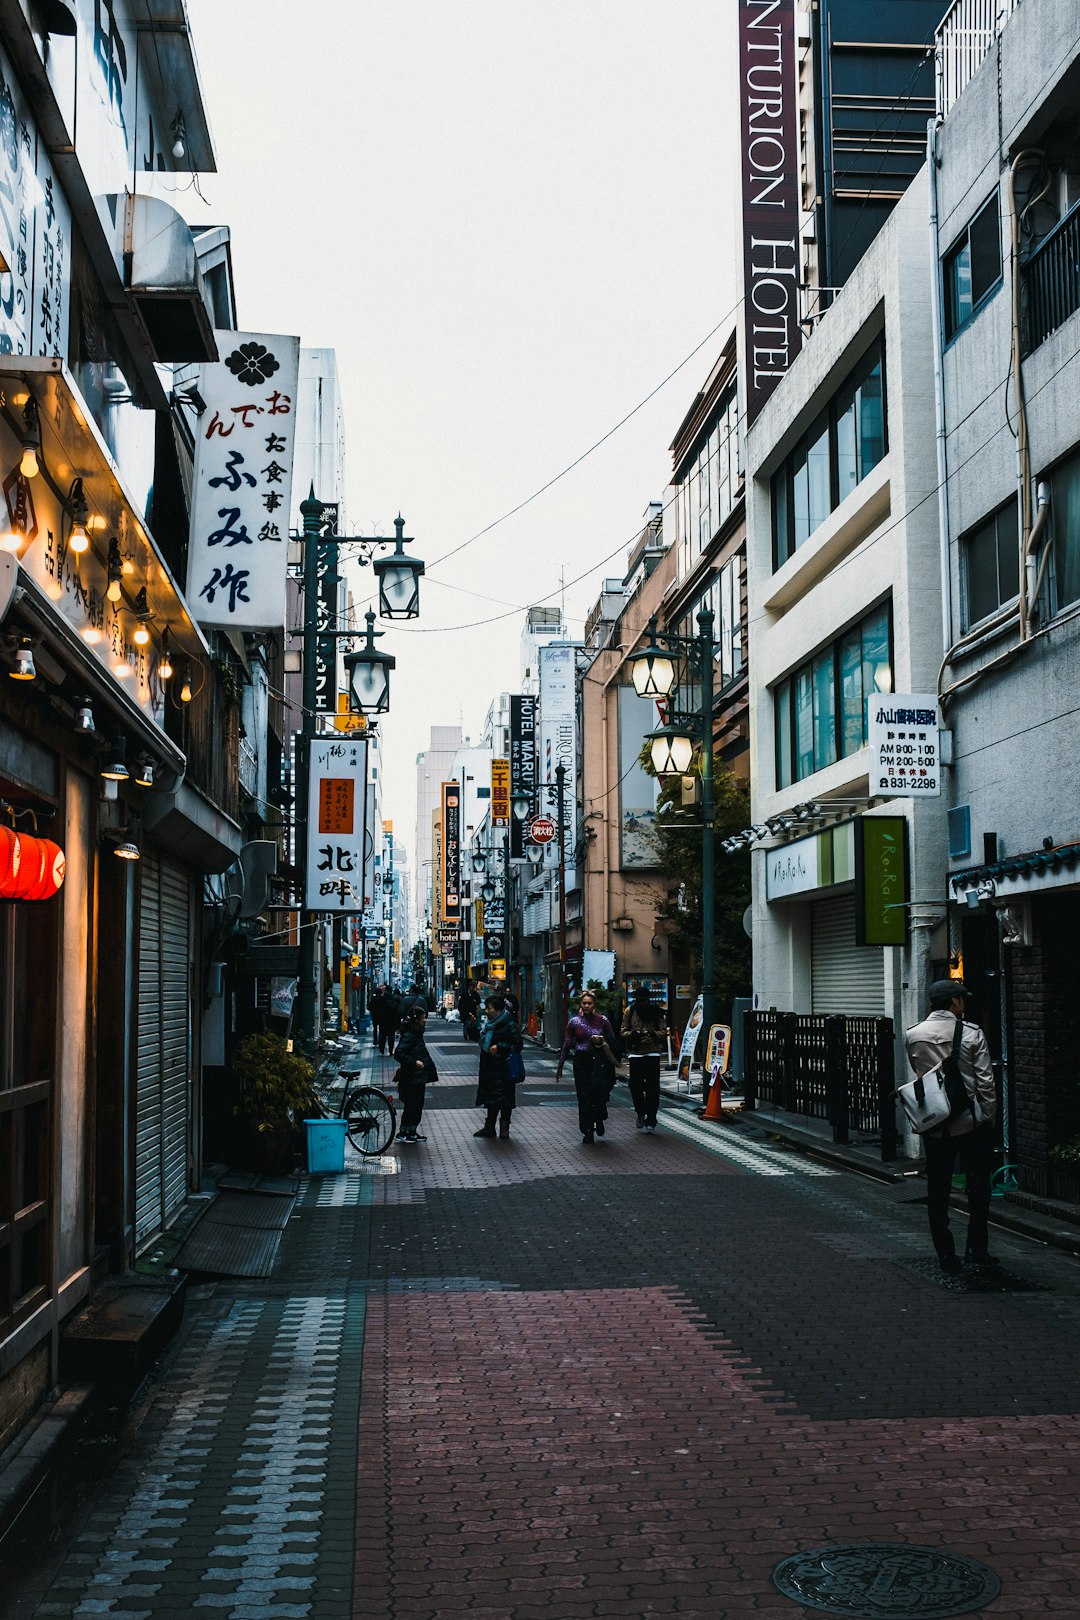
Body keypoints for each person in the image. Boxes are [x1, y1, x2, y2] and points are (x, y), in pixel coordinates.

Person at [905, 979, 998, 1272]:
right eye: (962, 999)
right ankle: (976, 1248)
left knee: (937, 1187)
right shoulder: (972, 1033)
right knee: (979, 1186)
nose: (964, 1003)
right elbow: (986, 1082)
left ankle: (945, 1253)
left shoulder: (913, 1034)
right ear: (955, 1002)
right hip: (970, 1122)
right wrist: (987, 1116)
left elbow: (919, 1073)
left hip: (933, 1122)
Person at [556, 990, 619, 1145]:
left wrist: (602, 1040)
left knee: (599, 1093)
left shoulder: (603, 1020)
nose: (586, 1006)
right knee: (584, 1096)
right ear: (580, 1005)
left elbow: (613, 1041)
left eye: (589, 1003)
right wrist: (560, 1065)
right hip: (581, 1061)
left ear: (594, 1005)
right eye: (584, 1003)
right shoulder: (574, 1022)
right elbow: (567, 1043)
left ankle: (599, 1117)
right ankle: (587, 1130)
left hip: (599, 1061)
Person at [474, 994, 524, 1139]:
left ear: (497, 1010)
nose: (487, 1011)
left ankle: (504, 1128)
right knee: (491, 1098)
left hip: (504, 1069)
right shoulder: (489, 1025)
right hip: (490, 1068)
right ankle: (489, 1127)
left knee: (506, 1100)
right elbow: (481, 1040)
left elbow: (518, 1045)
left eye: (489, 1008)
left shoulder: (509, 1024)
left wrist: (500, 1047)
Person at [620, 986, 668, 1133]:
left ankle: (651, 1120)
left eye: (644, 1001)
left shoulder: (657, 1012)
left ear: (649, 1000)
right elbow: (623, 1030)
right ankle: (640, 1111)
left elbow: (663, 1031)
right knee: (635, 1085)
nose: (642, 1004)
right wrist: (633, 1034)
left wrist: (653, 1034)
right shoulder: (630, 1011)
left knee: (653, 1088)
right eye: (639, 1001)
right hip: (636, 1053)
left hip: (653, 1052)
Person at [394, 1004, 438, 1143]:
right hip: (412, 1075)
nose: (425, 1020)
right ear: (416, 1019)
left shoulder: (415, 1033)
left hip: (417, 1075)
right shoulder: (410, 1034)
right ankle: (404, 1132)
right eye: (423, 1017)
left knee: (417, 1103)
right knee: (412, 1104)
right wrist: (414, 1062)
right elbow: (399, 1053)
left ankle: (411, 1131)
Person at [379, 986, 401, 1057]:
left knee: (383, 1036)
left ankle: (382, 1050)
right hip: (392, 1020)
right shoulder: (394, 999)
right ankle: (391, 1051)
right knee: (391, 1036)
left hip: (383, 1020)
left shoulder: (381, 998)